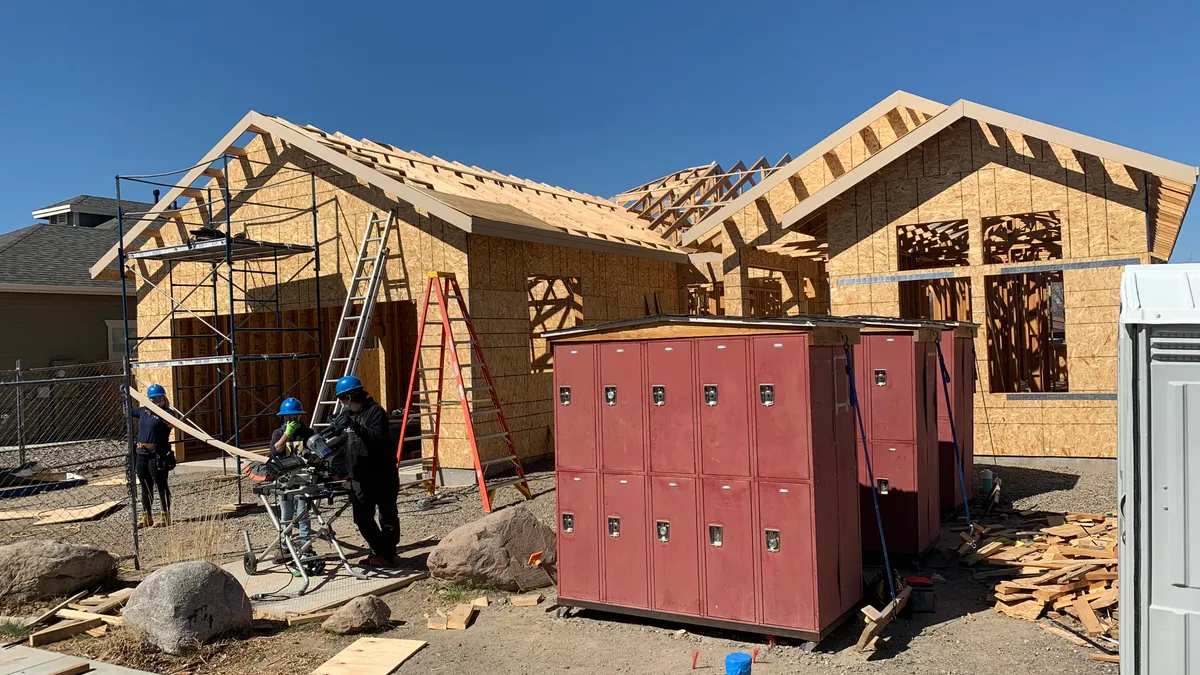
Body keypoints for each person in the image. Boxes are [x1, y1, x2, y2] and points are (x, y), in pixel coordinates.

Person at [330, 375, 399, 567]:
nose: (342, 403)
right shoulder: (349, 416)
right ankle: (377, 550)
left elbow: (376, 438)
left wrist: (355, 426)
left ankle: (387, 555)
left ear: (353, 396)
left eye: (343, 398)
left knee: (387, 515)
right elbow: (343, 445)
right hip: (359, 475)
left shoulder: (375, 412)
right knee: (361, 517)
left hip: (382, 473)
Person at [270, 397, 315, 569]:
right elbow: (275, 451)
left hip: (303, 477)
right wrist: (287, 434)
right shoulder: (278, 433)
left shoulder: (307, 432)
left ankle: (305, 546)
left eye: (295, 417)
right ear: (284, 418)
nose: (292, 420)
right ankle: (284, 547)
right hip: (285, 480)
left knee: (304, 514)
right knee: (286, 515)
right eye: (289, 418)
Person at [128, 383, 174, 527]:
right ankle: (146, 516)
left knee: (161, 485)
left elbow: (171, 423)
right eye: (153, 399)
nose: (157, 401)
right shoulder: (142, 411)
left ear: (164, 399)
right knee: (145, 485)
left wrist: (158, 411)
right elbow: (127, 412)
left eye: (159, 398)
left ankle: (165, 516)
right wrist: (125, 396)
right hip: (141, 453)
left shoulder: (168, 414)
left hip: (158, 454)